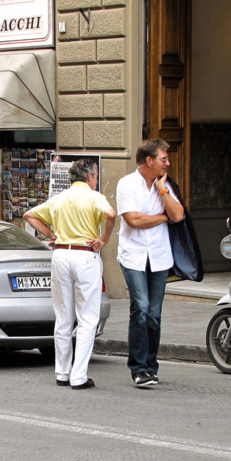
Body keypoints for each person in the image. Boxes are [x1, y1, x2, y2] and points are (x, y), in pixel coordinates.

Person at [24, 159, 116, 390]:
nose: (96, 180)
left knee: (63, 318)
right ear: (90, 177)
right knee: (87, 319)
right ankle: (79, 375)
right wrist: (104, 239)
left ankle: (62, 372)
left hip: (61, 255)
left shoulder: (59, 199)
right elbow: (111, 214)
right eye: (95, 176)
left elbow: (29, 215)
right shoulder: (95, 197)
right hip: (85, 255)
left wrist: (50, 233)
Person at [117, 139, 184, 387]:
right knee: (141, 308)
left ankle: (151, 366)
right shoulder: (127, 184)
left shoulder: (164, 185)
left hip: (159, 256)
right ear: (149, 161)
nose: (167, 163)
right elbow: (133, 220)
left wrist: (163, 191)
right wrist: (161, 217)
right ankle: (137, 367)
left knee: (154, 314)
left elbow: (177, 216)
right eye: (163, 159)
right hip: (133, 255)